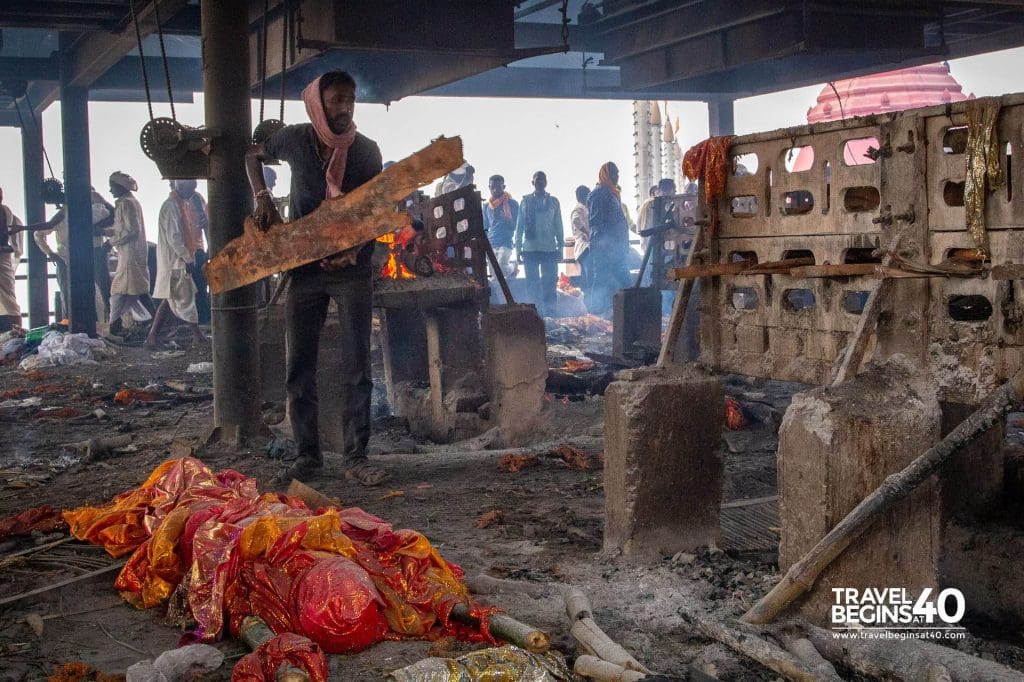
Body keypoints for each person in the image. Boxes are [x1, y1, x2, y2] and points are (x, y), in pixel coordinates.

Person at [246, 70, 387, 486]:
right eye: (336, 100)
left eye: (350, 99)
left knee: (357, 364)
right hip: (304, 270)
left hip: (352, 271)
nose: (344, 108)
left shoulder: (365, 151)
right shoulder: (294, 140)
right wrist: (262, 198)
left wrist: (355, 250)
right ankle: (307, 455)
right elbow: (251, 154)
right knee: (299, 365)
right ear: (316, 103)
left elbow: (375, 212)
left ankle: (356, 456)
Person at [19, 188, 113, 320]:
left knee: (94, 293)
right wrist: (51, 254)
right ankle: (74, 323)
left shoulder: (93, 212)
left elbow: (110, 227)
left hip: (89, 258)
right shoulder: (66, 213)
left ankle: (98, 323)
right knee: (70, 295)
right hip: (66, 260)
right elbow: (40, 232)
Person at [146, 179, 207, 349]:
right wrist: (188, 258)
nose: (193, 191)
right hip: (176, 261)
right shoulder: (171, 206)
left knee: (173, 298)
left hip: (180, 259)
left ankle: (152, 336)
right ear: (180, 185)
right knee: (184, 299)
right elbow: (175, 238)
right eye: (191, 188)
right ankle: (198, 336)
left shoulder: (184, 203)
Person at [106, 172, 154, 336]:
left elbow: (133, 231)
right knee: (135, 290)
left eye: (112, 187)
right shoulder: (129, 202)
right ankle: (151, 322)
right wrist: (108, 233)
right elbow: (123, 229)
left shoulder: (126, 203)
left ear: (120, 187)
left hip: (129, 254)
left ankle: (115, 326)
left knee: (121, 291)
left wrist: (112, 242)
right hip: (130, 253)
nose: (110, 190)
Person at [514, 171, 563, 318]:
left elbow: (558, 226)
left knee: (550, 284)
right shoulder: (525, 202)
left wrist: (560, 248)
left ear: (546, 182)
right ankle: (536, 316)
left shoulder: (554, 202)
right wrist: (518, 250)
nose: (540, 182)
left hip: (549, 250)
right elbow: (519, 227)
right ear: (532, 182)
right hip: (530, 250)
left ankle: (551, 316)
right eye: (537, 179)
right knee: (532, 285)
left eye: (542, 179)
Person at [587, 162, 632, 315]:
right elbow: (595, 222)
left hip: (616, 248)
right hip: (604, 249)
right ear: (605, 175)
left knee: (622, 280)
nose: (616, 176)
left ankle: (624, 312)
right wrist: (607, 245)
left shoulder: (612, 193)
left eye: (618, 173)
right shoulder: (598, 194)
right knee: (601, 281)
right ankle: (595, 315)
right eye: (613, 173)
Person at [482, 174, 518, 282]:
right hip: (491, 243)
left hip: (505, 242)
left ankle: (513, 267)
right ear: (489, 187)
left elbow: (515, 226)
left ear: (504, 187)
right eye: (492, 187)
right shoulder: (486, 206)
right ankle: (501, 299)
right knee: (494, 278)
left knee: (501, 269)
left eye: (498, 187)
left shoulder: (512, 204)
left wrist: (505, 218)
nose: (495, 190)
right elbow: (486, 226)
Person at [0, 187, 24, 332]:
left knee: (8, 297)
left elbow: (3, 236)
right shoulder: (5, 212)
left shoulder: (4, 211)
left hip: (2, 256)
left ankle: (15, 330)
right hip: (3, 256)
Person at [570, 184, 591, 302]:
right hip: (584, 247)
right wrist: (587, 232)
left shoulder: (583, 207)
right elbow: (576, 220)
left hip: (583, 249)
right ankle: (590, 303)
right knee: (589, 277)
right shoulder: (580, 208)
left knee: (586, 277)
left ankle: (588, 302)